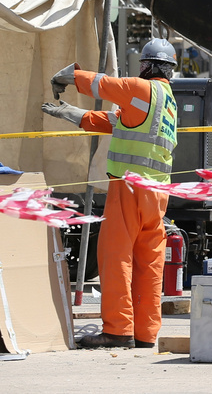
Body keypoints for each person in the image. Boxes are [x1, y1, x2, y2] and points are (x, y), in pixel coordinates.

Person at [42, 39, 180, 349]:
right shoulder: (167, 101)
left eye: (142, 64)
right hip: (157, 194)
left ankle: (118, 330)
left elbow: (102, 84)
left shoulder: (139, 88)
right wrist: (73, 114)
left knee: (115, 256)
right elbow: (118, 123)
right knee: (149, 262)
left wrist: (69, 76)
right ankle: (145, 333)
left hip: (128, 188)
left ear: (148, 65)